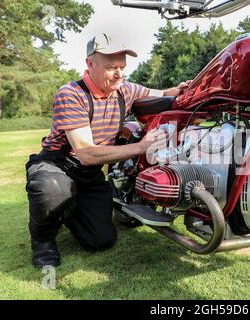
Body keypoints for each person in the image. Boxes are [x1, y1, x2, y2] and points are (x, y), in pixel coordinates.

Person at [25, 33, 191, 268]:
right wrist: (143, 147)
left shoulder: (125, 89)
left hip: (89, 175)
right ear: (90, 64)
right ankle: (42, 241)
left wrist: (181, 89)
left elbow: (162, 93)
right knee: (52, 189)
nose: (119, 74)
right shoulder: (70, 94)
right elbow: (86, 153)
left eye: (122, 67)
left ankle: (67, 206)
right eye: (111, 67)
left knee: (101, 240)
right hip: (58, 165)